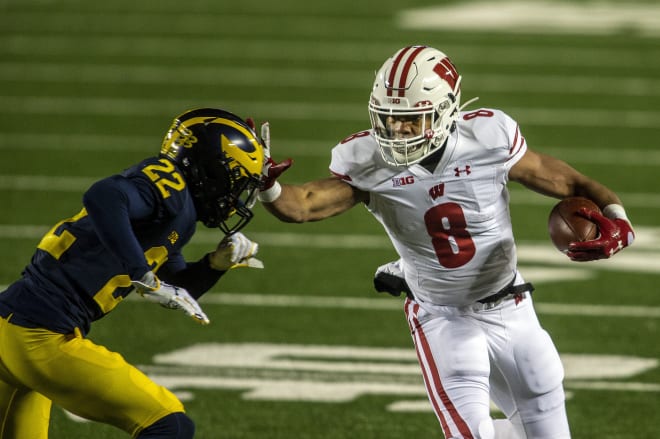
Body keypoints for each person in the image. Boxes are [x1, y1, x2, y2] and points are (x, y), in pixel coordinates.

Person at [256, 45, 635, 439]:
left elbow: (570, 183)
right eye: (388, 119)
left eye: (411, 120)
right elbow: (302, 206)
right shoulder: (368, 161)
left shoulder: (488, 138)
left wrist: (618, 220)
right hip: (442, 315)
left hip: (509, 303)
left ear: (445, 111)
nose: (397, 131)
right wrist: (267, 187)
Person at [0, 108, 267, 438]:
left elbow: (176, 283)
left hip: (14, 325)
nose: (233, 198)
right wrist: (140, 272)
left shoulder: (179, 207)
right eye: (235, 182)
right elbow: (104, 196)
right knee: (169, 423)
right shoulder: (168, 184)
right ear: (210, 168)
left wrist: (214, 264)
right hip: (40, 335)